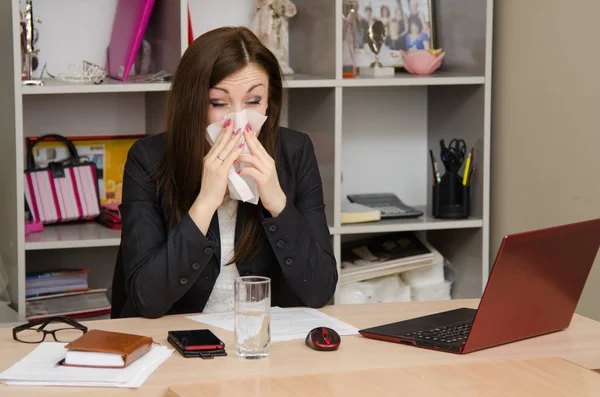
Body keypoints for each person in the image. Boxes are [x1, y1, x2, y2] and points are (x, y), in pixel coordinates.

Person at [111, 27, 338, 319]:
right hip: (178, 340)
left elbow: (320, 290)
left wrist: (277, 203)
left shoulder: (295, 152)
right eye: (219, 103)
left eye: (254, 101)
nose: (239, 120)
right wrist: (205, 202)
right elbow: (146, 299)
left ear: (269, 101)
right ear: (192, 104)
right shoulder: (148, 159)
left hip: (261, 340)